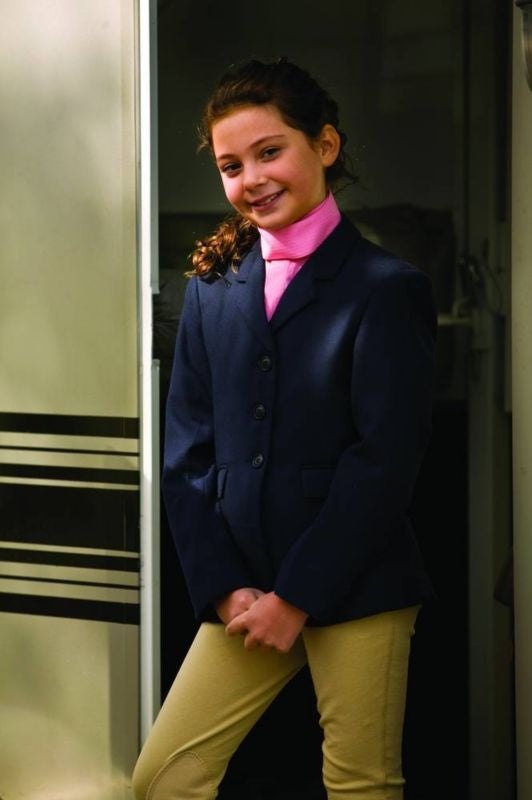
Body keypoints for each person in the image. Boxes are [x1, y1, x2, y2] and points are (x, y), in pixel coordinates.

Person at [132, 57, 437, 800]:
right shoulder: (210, 291)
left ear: (325, 145)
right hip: (242, 589)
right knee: (164, 780)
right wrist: (223, 587)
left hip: (357, 581)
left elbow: (383, 461)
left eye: (270, 152)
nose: (252, 178)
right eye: (232, 165)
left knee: (360, 785)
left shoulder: (387, 288)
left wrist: (296, 597)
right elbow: (186, 456)